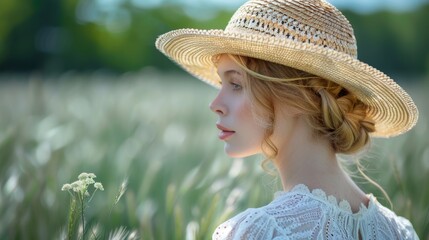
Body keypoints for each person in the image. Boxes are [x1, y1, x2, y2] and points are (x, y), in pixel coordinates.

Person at [156, 0, 420, 239]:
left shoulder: (257, 231)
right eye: (221, 83)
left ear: (296, 95)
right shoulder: (401, 231)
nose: (215, 105)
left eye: (236, 84)